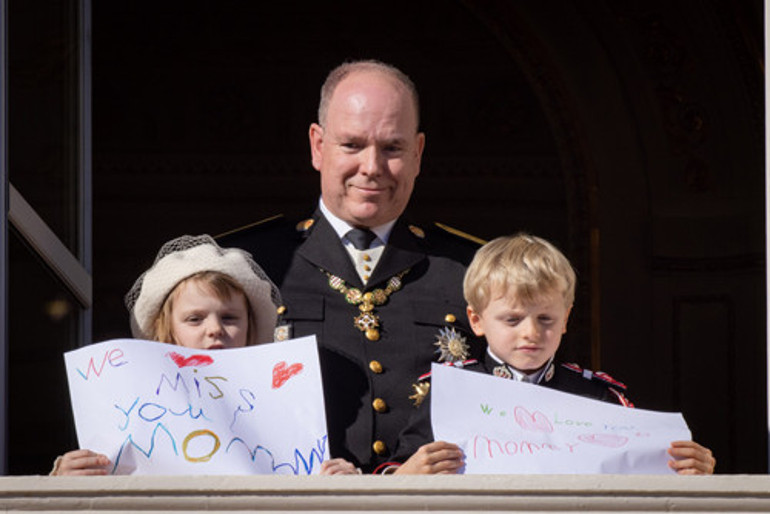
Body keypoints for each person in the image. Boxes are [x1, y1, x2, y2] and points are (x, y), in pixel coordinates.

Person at [217, 60, 484, 473]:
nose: (372, 167)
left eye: (392, 148)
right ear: (318, 146)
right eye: (352, 145)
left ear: (418, 153)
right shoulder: (246, 265)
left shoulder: (472, 271)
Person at [388, 233, 716, 475]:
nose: (530, 332)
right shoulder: (449, 392)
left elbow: (647, 485)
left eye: (545, 319)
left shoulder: (599, 397)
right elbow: (395, 473)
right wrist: (406, 476)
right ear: (476, 320)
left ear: (566, 320)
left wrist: (690, 472)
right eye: (512, 319)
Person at [51, 234, 358, 476]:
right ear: (166, 331)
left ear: (251, 327)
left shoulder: (289, 404)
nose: (214, 329)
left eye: (229, 318)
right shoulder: (125, 402)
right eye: (195, 319)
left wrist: (338, 484)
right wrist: (65, 479)